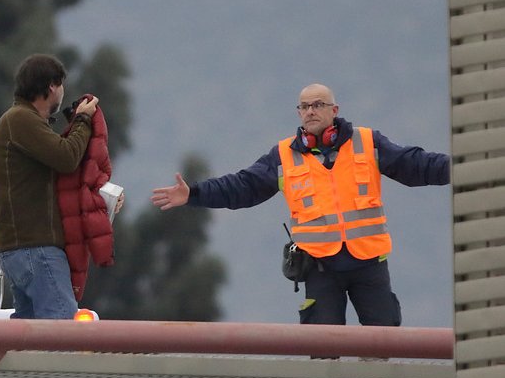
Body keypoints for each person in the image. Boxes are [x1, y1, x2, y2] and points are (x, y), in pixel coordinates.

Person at [151, 84, 450, 326]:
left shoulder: (367, 143)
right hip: (320, 268)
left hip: (369, 263)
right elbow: (242, 187)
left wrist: (460, 166)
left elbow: (415, 164)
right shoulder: (284, 156)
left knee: (384, 343)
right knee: (322, 353)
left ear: (335, 110)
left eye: (318, 104)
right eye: (304, 107)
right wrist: (194, 194)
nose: (310, 111)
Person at [0, 53, 99, 319]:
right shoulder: (20, 120)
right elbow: (66, 157)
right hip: (36, 249)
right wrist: (83, 120)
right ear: (51, 86)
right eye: (60, 85)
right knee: (62, 333)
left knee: (28, 341)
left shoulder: (22, 122)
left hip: (23, 248)